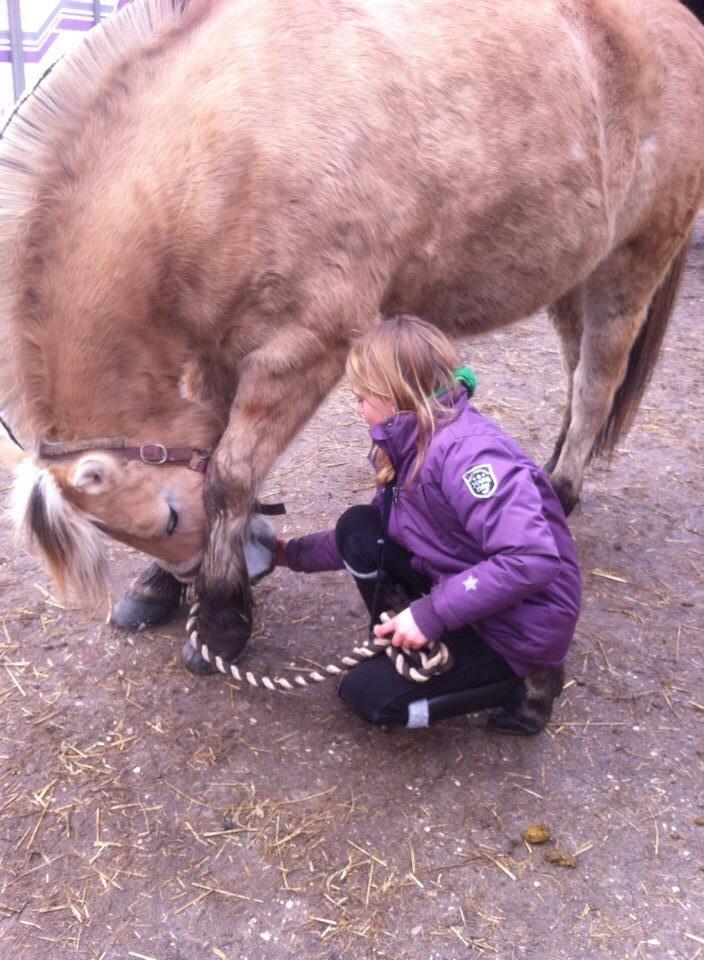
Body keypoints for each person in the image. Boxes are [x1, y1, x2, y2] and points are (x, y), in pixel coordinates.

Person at [276, 315, 581, 733]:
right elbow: (386, 528)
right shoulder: (408, 443)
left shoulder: (469, 457)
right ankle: (414, 642)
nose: (357, 407)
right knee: (358, 527)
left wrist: (432, 614)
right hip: (470, 592)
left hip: (516, 626)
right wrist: (287, 553)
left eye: (362, 396)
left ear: (391, 393)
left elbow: (531, 558)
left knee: (369, 698)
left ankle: (524, 685)